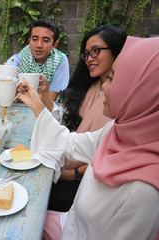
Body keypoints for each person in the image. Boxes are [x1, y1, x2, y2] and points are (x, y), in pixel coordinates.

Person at [17, 36, 159, 239]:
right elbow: (72, 143)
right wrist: (37, 104)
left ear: (142, 92)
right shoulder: (118, 130)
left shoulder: (146, 192)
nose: (103, 87)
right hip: (70, 224)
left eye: (111, 78)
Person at [43, 25, 127, 212]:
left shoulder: (126, 99)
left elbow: (114, 155)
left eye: (95, 51)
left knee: (43, 199)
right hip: (66, 161)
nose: (89, 58)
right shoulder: (90, 86)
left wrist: (70, 175)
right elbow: (64, 119)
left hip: (92, 180)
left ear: (119, 50)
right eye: (86, 53)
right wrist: (43, 96)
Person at [6, 19, 69, 101]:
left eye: (45, 40)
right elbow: (6, 74)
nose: (39, 45)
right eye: (35, 39)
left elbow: (51, 97)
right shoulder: (21, 57)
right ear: (30, 41)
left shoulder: (60, 60)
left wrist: (19, 93)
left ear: (54, 45)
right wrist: (2, 73)